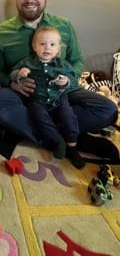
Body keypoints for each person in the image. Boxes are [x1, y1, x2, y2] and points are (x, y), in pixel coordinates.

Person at [0, 0, 119, 163]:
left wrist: (67, 81)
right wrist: (12, 83)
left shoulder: (64, 26)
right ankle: (70, 139)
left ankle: (46, 135)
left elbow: (77, 61)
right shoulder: (3, 32)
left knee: (108, 109)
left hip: (63, 94)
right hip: (24, 97)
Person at [11, 26, 84, 168]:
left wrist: (65, 82)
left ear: (58, 49)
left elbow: (73, 78)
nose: (47, 48)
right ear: (34, 46)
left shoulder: (62, 64)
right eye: (42, 44)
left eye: (52, 45)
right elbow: (13, 75)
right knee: (40, 118)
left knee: (69, 117)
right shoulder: (28, 62)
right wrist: (19, 73)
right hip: (37, 100)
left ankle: (72, 146)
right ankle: (57, 140)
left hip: (59, 99)